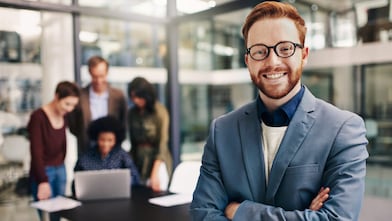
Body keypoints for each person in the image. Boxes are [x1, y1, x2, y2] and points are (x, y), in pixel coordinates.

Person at [190, 1, 369, 221]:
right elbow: (202, 214)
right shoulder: (222, 130)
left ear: (303, 54)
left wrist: (239, 212)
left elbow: (336, 219)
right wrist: (303, 216)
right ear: (247, 60)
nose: (272, 61)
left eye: (285, 49)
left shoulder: (343, 129)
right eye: (259, 51)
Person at [28, 81, 80, 221]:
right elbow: (36, 152)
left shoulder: (64, 115)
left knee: (59, 214)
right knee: (46, 216)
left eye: (73, 105)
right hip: (44, 172)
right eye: (67, 104)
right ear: (57, 97)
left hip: (60, 169)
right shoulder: (38, 117)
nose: (70, 109)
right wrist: (42, 181)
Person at [68, 55, 127, 156]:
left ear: (107, 73)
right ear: (89, 73)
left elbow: (123, 122)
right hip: (86, 147)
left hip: (112, 149)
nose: (99, 81)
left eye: (102, 76)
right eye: (95, 77)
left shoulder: (118, 96)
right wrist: (83, 135)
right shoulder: (80, 96)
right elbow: (73, 124)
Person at [127, 76, 172, 192]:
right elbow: (133, 143)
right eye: (132, 97)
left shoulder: (159, 111)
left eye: (138, 96)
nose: (135, 100)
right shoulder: (132, 113)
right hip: (139, 162)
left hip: (157, 161)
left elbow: (162, 144)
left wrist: (154, 173)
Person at [74, 116, 140, 186]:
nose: (106, 144)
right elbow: (76, 181)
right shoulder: (86, 157)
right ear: (96, 138)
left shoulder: (122, 155)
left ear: (116, 140)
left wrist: (122, 184)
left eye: (110, 140)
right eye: (102, 140)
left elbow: (135, 177)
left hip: (117, 194)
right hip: (92, 195)